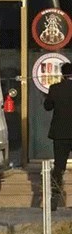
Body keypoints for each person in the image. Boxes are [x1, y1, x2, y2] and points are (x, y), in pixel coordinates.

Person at [44, 62, 72, 211]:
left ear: (62, 74)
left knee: (59, 167)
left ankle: (54, 198)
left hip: (60, 134)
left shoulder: (55, 88)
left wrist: (48, 97)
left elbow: (47, 107)